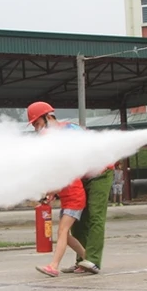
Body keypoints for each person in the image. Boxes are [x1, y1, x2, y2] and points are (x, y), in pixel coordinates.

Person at [26, 102, 114, 273]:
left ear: (48, 117)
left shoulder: (71, 130)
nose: (37, 128)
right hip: (82, 177)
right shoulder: (52, 138)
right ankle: (83, 261)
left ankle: (93, 261)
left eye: (37, 123)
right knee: (79, 222)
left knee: (95, 216)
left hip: (100, 172)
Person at [35, 177, 99, 277]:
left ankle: (53, 266)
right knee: (66, 236)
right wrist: (51, 194)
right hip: (69, 201)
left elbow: (59, 186)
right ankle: (88, 260)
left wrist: (46, 192)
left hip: (75, 200)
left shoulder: (64, 167)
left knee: (62, 231)